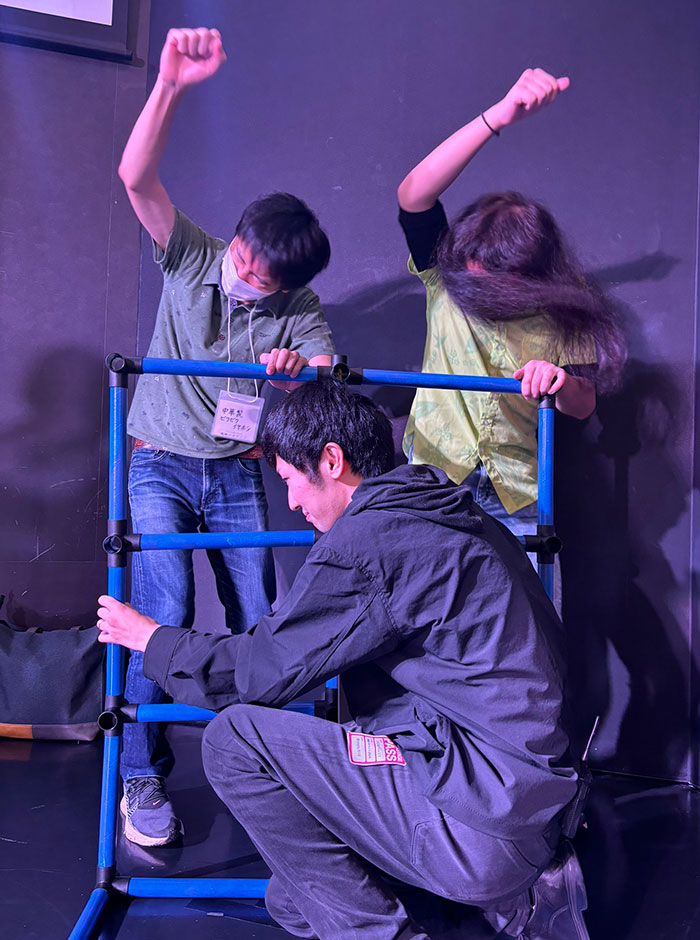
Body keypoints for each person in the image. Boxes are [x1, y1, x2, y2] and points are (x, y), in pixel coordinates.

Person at [97, 379, 591, 940]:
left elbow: (260, 673)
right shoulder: (452, 513)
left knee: (236, 741)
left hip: (482, 818)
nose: (292, 503)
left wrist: (152, 639)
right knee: (295, 900)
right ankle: (492, 911)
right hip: (528, 807)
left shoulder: (370, 543)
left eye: (288, 480)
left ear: (331, 461)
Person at [117, 27, 336, 846]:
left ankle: (266, 767)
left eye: (262, 275)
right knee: (163, 606)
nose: (244, 273)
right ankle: (143, 777)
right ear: (236, 237)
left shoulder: (294, 307)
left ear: (287, 284)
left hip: (240, 470)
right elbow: (135, 176)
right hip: (163, 464)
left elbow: (326, 360)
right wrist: (169, 83)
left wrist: (299, 370)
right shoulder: (192, 255)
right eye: (242, 256)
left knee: (259, 617)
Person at [397, 68, 625, 543]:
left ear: (528, 275)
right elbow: (414, 194)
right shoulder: (445, 272)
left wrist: (560, 383)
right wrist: (498, 116)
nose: (471, 283)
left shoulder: (566, 304)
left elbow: (583, 406)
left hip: (517, 491)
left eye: (490, 280)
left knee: (523, 613)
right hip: (435, 477)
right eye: (468, 269)